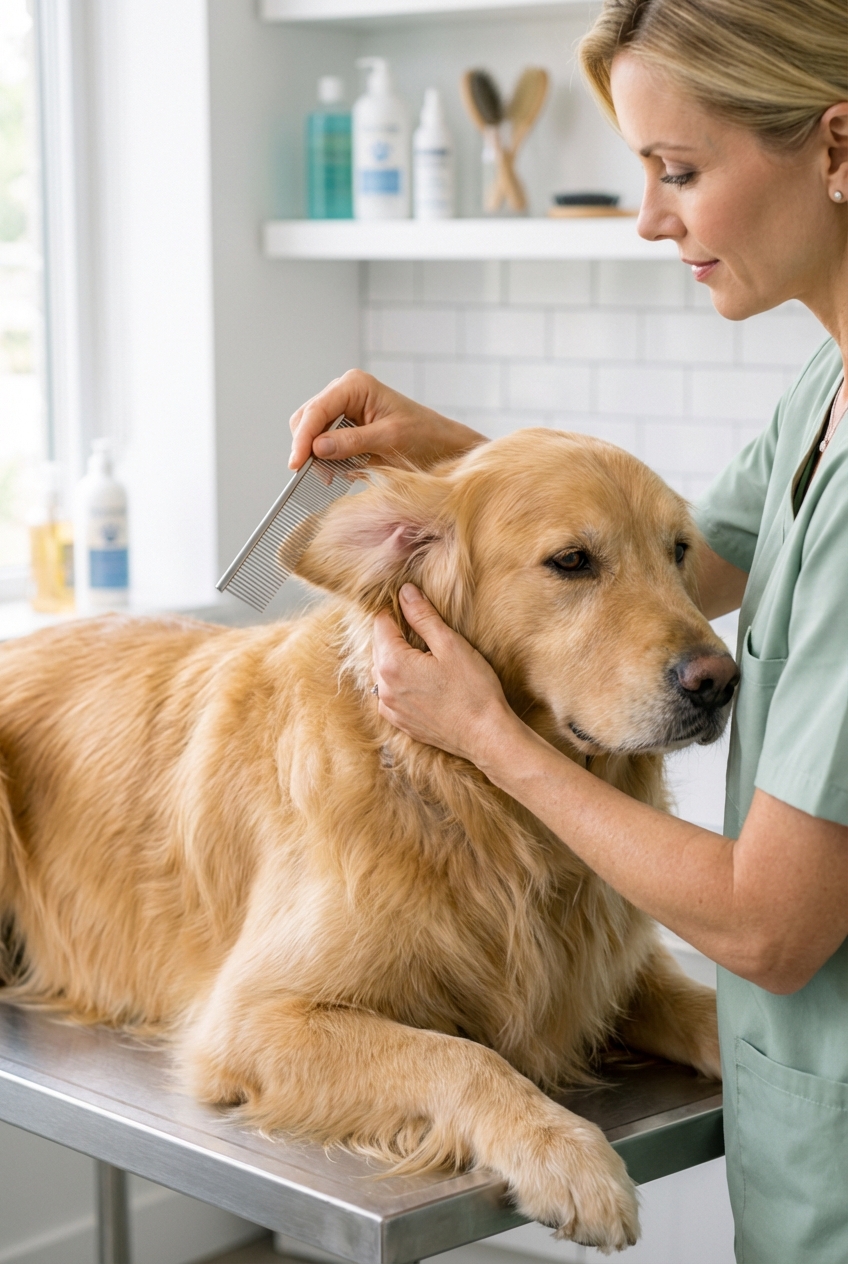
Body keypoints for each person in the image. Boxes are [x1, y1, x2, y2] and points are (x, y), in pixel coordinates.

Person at [288, 2, 848, 1259]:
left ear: (834, 148)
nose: (651, 218)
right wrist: (457, 472)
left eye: (679, 171)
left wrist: (487, 734)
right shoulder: (826, 383)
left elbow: (767, 925)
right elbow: (684, 562)